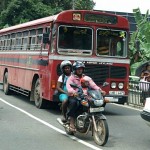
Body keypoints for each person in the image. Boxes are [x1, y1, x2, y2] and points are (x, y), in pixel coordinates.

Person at [66, 61, 106, 132]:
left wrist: (101, 91)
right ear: (75, 69)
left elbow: (94, 86)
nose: (80, 70)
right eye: (78, 68)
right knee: (73, 103)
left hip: (86, 96)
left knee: (95, 103)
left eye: (81, 68)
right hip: (75, 96)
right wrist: (74, 92)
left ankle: (91, 118)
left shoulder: (87, 78)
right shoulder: (71, 78)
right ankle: (72, 122)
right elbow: (69, 88)